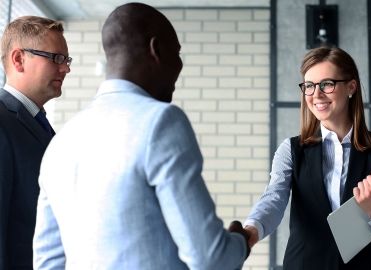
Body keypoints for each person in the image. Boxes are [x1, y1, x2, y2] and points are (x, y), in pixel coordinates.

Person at [32, 3, 249, 270]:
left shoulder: (61, 142)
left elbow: (47, 263)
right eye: (177, 52)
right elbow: (210, 258)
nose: (179, 64)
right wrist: (241, 240)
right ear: (156, 50)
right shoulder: (160, 122)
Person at [244, 46, 371, 269]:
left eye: (327, 84)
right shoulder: (291, 150)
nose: (316, 94)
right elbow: (273, 199)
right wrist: (250, 231)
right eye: (309, 86)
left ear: (351, 87)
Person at [0, 16, 70, 269]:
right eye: (56, 58)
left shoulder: (37, 121)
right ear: (19, 59)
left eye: (66, 60)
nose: (65, 69)